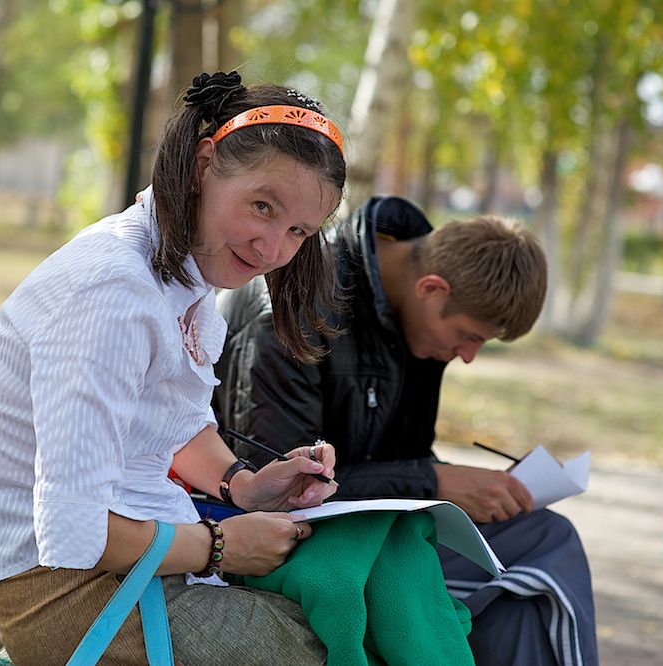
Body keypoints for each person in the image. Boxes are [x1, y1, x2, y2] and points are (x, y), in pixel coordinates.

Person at [0, 73, 472, 666]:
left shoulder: (181, 274)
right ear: (203, 165)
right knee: (325, 643)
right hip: (68, 597)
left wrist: (244, 485)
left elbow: (172, 424)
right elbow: (76, 532)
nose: (273, 249)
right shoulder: (113, 294)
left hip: (136, 559)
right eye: (262, 206)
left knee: (385, 585)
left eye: (298, 230)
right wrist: (220, 546)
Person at [215, 195, 599, 666]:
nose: (469, 355)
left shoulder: (419, 321)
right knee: (510, 580)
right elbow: (275, 484)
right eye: (470, 336)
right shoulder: (292, 304)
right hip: (284, 535)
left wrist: (471, 486)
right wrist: (434, 482)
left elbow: (399, 457)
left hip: (373, 521)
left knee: (546, 538)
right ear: (433, 289)